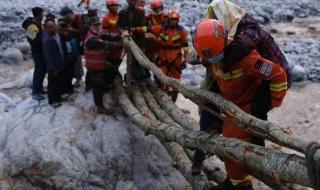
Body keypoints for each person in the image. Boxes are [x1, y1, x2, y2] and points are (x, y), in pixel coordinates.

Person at [192, 19, 288, 190]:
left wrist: (270, 102)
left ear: (224, 44)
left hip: (244, 109)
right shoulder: (211, 53)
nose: (211, 61)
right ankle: (235, 181)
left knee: (236, 149)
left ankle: (240, 184)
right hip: (228, 106)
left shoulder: (247, 59)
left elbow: (278, 74)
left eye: (213, 57)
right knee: (227, 145)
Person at [143, 9, 189, 102]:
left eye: (175, 20)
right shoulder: (161, 28)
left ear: (178, 20)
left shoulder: (182, 31)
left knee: (176, 81)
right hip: (163, 56)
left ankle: (173, 101)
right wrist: (134, 30)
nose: (173, 21)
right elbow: (148, 28)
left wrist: (185, 59)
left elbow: (185, 46)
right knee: (161, 79)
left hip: (176, 58)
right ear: (168, 19)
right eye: (172, 19)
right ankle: (162, 100)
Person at [84, 17, 120, 114]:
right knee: (97, 86)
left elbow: (107, 35)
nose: (98, 26)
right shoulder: (91, 39)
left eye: (98, 24)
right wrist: (120, 45)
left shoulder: (97, 34)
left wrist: (119, 36)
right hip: (94, 66)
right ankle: (99, 107)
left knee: (112, 70)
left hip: (100, 63)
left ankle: (106, 86)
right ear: (91, 26)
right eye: (96, 25)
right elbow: (105, 44)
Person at [117, 0, 150, 82]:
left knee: (141, 61)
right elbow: (118, 25)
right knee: (131, 61)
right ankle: (133, 78)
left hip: (139, 41)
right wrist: (123, 31)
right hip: (128, 40)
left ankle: (142, 79)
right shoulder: (122, 13)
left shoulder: (141, 13)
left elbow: (144, 27)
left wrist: (134, 30)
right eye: (130, 1)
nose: (131, 2)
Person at [42, 20, 65, 108]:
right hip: (53, 66)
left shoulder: (55, 34)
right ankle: (53, 101)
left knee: (57, 82)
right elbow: (49, 56)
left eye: (53, 26)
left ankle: (58, 98)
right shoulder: (48, 40)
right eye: (49, 27)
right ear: (46, 29)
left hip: (59, 63)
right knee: (53, 84)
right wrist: (54, 68)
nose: (52, 28)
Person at [25, 7, 47, 101]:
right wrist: (43, 35)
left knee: (42, 71)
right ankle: (35, 92)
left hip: (41, 51)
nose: (43, 15)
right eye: (42, 13)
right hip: (37, 52)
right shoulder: (31, 26)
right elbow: (33, 40)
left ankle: (40, 89)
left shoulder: (38, 24)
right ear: (39, 14)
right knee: (38, 71)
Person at [58, 18, 79, 95]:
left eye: (64, 25)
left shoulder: (71, 34)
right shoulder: (57, 35)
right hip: (63, 58)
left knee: (70, 74)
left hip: (72, 57)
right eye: (61, 25)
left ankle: (69, 88)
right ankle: (63, 90)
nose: (63, 27)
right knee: (63, 75)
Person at [102, 0, 124, 67]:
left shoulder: (120, 16)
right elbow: (104, 33)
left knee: (118, 62)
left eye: (115, 6)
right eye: (112, 6)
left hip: (121, 43)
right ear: (108, 7)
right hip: (111, 44)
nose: (114, 7)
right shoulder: (106, 18)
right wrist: (114, 37)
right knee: (111, 63)